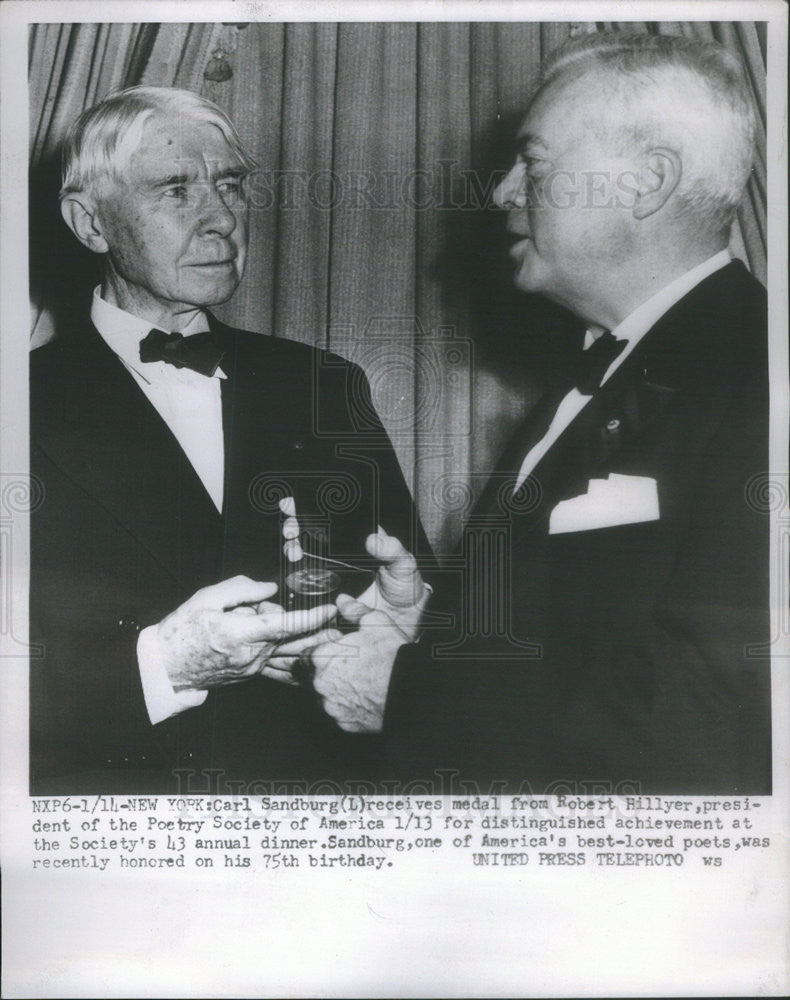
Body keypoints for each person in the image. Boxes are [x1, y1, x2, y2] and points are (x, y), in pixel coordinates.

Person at [303, 32, 772, 794]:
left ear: (648, 182)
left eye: (536, 162)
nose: (503, 192)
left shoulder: (759, 374)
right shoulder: (602, 371)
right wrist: (431, 633)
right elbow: (592, 643)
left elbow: (721, 719)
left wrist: (414, 696)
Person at [29, 85, 430, 794]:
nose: (221, 218)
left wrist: (397, 629)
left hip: (317, 818)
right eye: (176, 189)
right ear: (89, 224)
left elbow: (409, 599)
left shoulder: (324, 385)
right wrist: (165, 666)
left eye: (231, 184)